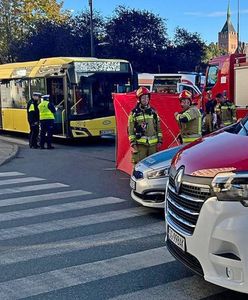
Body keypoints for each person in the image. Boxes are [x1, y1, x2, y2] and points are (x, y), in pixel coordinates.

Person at [128, 86, 163, 165]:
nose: (145, 100)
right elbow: (130, 129)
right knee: (139, 165)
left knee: (153, 166)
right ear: (139, 99)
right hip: (140, 146)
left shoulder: (153, 112)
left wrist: (160, 140)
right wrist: (133, 143)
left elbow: (158, 127)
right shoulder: (134, 113)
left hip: (153, 146)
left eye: (147, 98)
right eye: (143, 98)